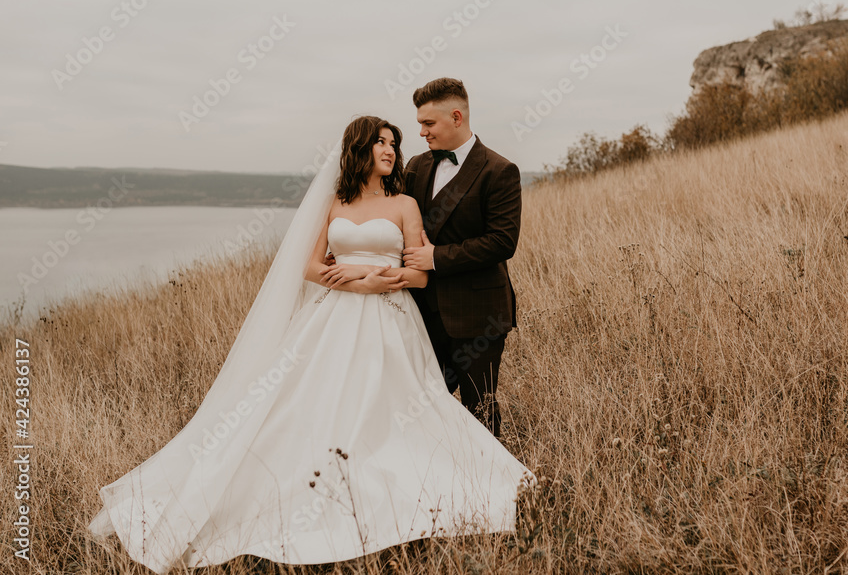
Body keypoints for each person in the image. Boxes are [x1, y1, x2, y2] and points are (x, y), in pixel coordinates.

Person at [87, 116, 534, 574]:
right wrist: (350, 283)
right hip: (332, 316)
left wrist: (367, 280)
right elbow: (308, 266)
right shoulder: (334, 205)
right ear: (358, 149)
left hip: (390, 315)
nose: (390, 150)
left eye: (394, 144)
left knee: (395, 405)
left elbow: (419, 272)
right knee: (306, 402)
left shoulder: (404, 204)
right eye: (380, 142)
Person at [327, 79, 521, 438]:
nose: (421, 132)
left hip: (478, 316)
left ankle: (487, 482)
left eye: (428, 124)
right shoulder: (416, 165)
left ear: (457, 117)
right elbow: (386, 221)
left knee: (478, 409)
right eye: (419, 123)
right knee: (419, 411)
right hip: (419, 314)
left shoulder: (498, 170)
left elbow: (502, 242)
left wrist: (436, 257)